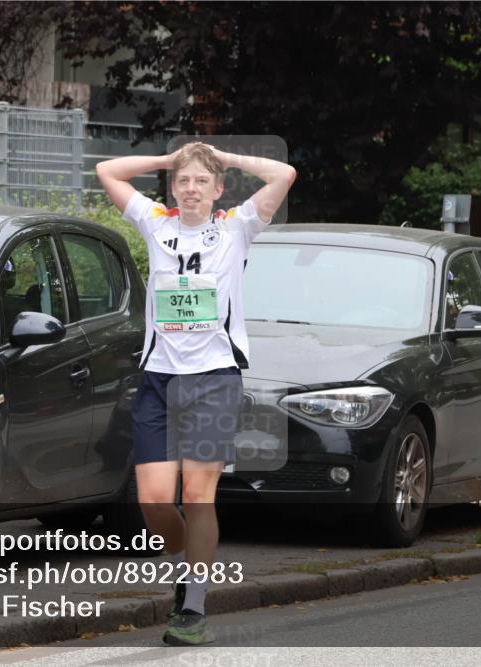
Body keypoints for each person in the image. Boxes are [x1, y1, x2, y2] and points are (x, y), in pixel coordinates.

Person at [96, 142, 296, 645]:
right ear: (172, 188)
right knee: (155, 501)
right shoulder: (154, 223)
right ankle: (191, 564)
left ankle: (193, 602)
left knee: (196, 496)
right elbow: (107, 170)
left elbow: (284, 173)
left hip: (213, 377)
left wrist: (222, 155)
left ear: (218, 189)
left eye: (201, 181)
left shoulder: (236, 228)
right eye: (183, 181)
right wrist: (170, 160)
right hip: (159, 378)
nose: (190, 189)